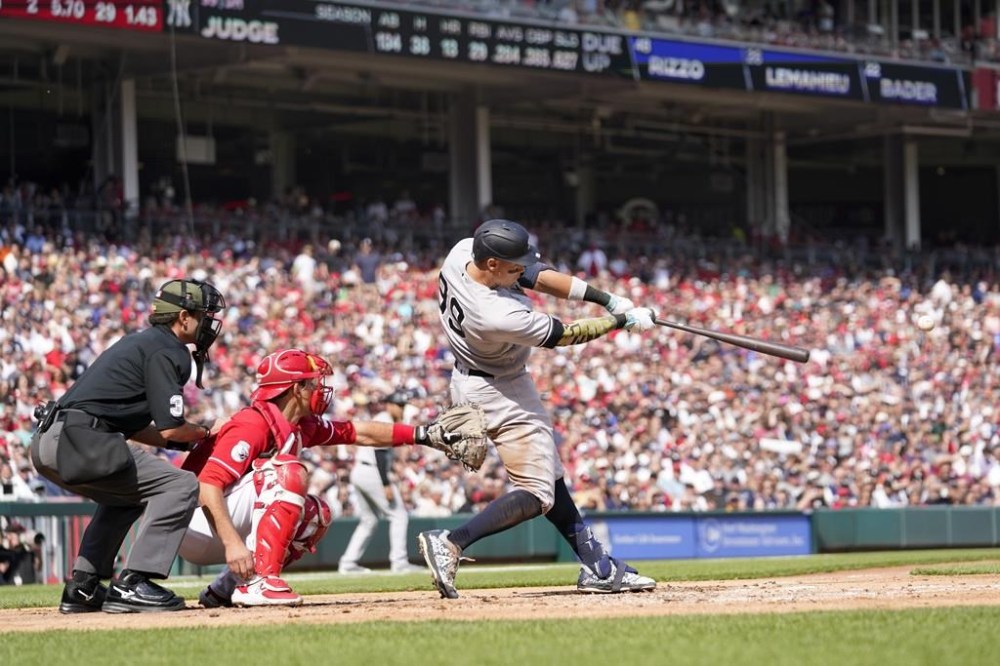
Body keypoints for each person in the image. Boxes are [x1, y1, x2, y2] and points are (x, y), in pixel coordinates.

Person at [418, 219, 658, 598]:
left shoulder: (464, 251)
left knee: (551, 476)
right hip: (494, 391)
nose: (522, 269)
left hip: (495, 379)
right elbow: (565, 334)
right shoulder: (494, 312)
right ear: (493, 264)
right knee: (537, 492)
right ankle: (452, 541)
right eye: (512, 265)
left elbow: (538, 276)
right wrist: (619, 321)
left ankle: (598, 566)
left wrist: (606, 298)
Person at [179, 349, 463, 607]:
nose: (320, 389)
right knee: (287, 472)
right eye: (313, 383)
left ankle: (225, 588)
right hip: (197, 524)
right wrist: (232, 543)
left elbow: (358, 432)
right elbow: (207, 486)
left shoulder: (299, 424)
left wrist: (422, 435)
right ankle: (259, 582)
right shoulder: (252, 423)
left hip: (221, 522)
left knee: (317, 514)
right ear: (295, 388)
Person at [29, 278, 226, 613]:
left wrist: (187, 439)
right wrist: (206, 433)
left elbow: (138, 428)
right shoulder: (170, 350)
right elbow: (172, 427)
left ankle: (84, 587)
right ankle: (135, 582)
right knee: (179, 485)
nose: (208, 322)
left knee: (125, 498)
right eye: (203, 315)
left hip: (52, 441)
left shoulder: (143, 343)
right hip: (81, 440)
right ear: (183, 318)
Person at [338, 389, 424, 574]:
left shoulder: (385, 417)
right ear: (390, 405)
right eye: (399, 405)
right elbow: (380, 453)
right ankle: (399, 562)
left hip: (362, 471)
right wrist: (386, 484)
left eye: (403, 405)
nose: (401, 409)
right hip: (372, 472)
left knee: (369, 520)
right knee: (399, 515)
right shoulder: (385, 418)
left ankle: (348, 563)